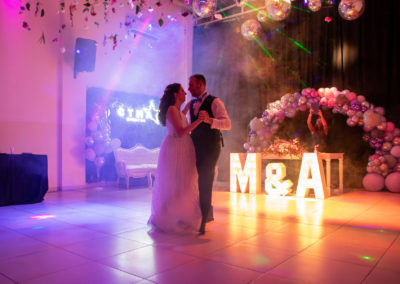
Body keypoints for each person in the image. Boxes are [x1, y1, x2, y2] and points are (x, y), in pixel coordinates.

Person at [148, 83, 206, 234]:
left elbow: (183, 114)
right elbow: (180, 132)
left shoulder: (178, 111)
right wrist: (199, 120)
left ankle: (180, 214)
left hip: (183, 148)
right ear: (175, 94)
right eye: (182, 91)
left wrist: (191, 103)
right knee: (174, 182)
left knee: (183, 182)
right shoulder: (172, 110)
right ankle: (167, 216)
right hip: (175, 149)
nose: (185, 93)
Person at [186, 74, 231, 235]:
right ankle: (203, 214)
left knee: (205, 180)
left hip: (211, 147)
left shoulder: (215, 101)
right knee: (195, 182)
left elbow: (227, 124)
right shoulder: (191, 103)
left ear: (200, 85)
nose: (189, 88)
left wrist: (210, 120)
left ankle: (203, 220)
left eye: (191, 85)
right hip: (195, 146)